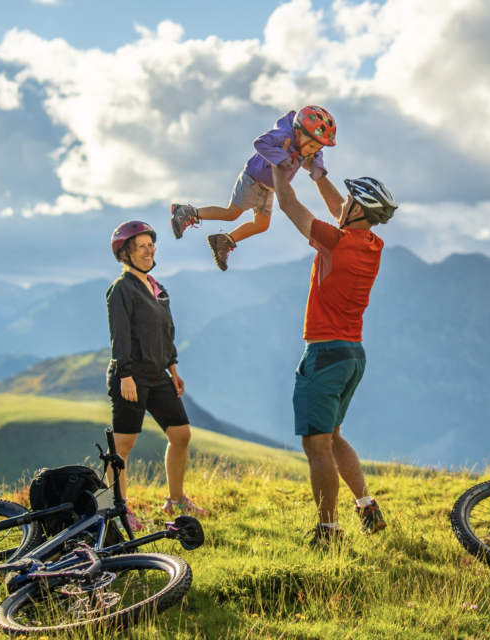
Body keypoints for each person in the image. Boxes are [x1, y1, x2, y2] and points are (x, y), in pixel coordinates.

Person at [269, 158, 396, 547]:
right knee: (334, 435)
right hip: (353, 354)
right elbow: (339, 210)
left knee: (316, 444)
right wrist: (317, 174)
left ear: (357, 209)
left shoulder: (337, 241)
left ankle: (328, 531)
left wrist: (278, 162)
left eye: (349, 201)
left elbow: (290, 206)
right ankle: (366, 505)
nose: (342, 204)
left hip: (324, 354)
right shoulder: (371, 243)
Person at [106, 220, 209, 530]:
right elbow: (120, 335)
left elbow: (167, 332)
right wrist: (125, 375)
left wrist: (173, 369)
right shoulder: (121, 288)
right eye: (141, 246)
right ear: (125, 253)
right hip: (132, 375)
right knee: (123, 445)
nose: (149, 250)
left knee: (181, 435)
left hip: (159, 374)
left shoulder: (157, 287)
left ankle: (175, 499)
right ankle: (117, 510)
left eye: (151, 244)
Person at [169, 105, 337, 271]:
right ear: (300, 133)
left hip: (269, 188)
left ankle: (223, 241)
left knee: (262, 225)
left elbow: (316, 158)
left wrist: (316, 168)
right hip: (253, 178)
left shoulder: (307, 147)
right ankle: (187, 212)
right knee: (231, 214)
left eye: (318, 147)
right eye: (313, 147)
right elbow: (260, 142)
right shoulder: (282, 135)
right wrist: (281, 157)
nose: (313, 152)